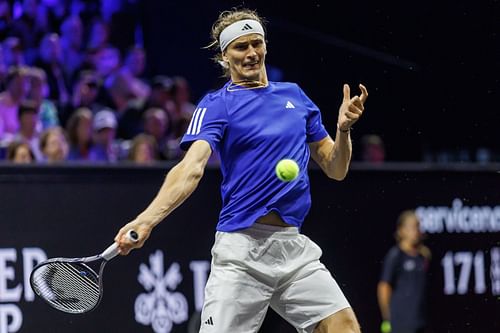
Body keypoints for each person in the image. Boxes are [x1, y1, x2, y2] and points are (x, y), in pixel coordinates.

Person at [114, 8, 368, 333]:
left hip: (293, 248)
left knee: (344, 327)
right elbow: (190, 168)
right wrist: (146, 220)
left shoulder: (296, 97)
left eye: (256, 43)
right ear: (224, 56)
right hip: (241, 253)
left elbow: (336, 169)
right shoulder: (216, 104)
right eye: (240, 47)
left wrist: (343, 130)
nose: (251, 53)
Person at [377, 210, 431, 333]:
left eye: (418, 226)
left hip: (420, 321)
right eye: (413, 227)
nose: (417, 231)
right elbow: (383, 287)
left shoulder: (424, 256)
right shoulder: (395, 255)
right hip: (400, 322)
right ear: (402, 230)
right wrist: (387, 318)